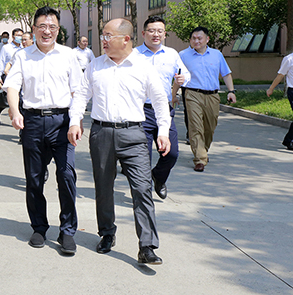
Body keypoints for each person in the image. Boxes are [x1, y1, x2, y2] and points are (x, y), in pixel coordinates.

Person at [68, 18, 171, 265]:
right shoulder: (96, 65)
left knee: (142, 188)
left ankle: (147, 245)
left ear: (125, 39)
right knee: (103, 188)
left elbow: (159, 100)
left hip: (134, 135)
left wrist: (163, 131)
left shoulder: (143, 67)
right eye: (102, 36)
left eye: (107, 36)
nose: (103, 40)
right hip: (101, 133)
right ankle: (106, 233)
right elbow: (82, 94)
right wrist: (74, 120)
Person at [3, 6, 82, 255]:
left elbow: (79, 91)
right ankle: (39, 226)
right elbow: (13, 86)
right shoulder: (23, 56)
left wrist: (75, 122)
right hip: (33, 122)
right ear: (34, 28)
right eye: (42, 26)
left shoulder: (69, 55)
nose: (47, 31)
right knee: (35, 178)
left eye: (52, 27)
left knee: (66, 175)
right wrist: (15, 112)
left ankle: (67, 230)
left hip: (62, 122)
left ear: (58, 30)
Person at [134, 16, 190, 199]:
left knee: (171, 153)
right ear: (143, 33)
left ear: (165, 34)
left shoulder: (172, 54)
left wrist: (183, 79)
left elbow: (185, 73)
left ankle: (158, 176)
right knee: (143, 156)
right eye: (151, 30)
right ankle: (143, 194)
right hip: (141, 110)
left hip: (164, 111)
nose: (155, 34)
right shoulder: (134, 55)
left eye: (159, 31)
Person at [179, 26, 236, 172]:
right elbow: (176, 76)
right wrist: (173, 94)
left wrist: (231, 91)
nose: (196, 41)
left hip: (212, 95)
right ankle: (200, 159)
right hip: (192, 94)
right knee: (195, 127)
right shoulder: (183, 55)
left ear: (207, 39)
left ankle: (203, 150)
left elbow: (226, 74)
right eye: (193, 38)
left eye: (199, 38)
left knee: (210, 128)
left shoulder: (216, 55)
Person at [0, 28, 24, 125]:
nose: (19, 37)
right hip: (7, 76)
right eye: (17, 35)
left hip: (20, 76)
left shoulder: (23, 48)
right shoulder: (6, 48)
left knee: (19, 99)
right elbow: (1, 62)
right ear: (13, 36)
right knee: (4, 99)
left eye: (21, 35)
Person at [267, 53, 293, 149]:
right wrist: (271, 88)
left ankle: (288, 140)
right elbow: (280, 75)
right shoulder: (289, 59)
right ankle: (289, 140)